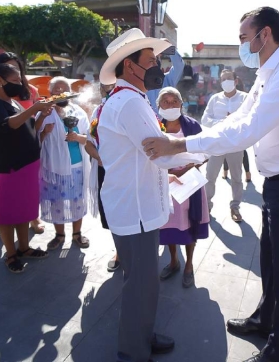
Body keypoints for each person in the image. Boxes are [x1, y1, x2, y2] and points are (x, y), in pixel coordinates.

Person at [142, 6, 279, 362]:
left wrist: (180, 144)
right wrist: (196, 145)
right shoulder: (266, 73)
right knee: (272, 259)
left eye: (245, 37)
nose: (242, 44)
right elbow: (240, 118)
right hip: (278, 182)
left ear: (266, 34)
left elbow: (248, 129)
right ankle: (265, 319)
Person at [97, 28, 206, 362]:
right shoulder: (129, 102)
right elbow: (158, 151)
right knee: (141, 286)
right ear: (130, 66)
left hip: (137, 205)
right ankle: (133, 350)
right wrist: (200, 150)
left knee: (142, 283)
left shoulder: (131, 99)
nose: (159, 65)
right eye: (151, 60)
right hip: (136, 210)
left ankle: (142, 334)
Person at [0, 64, 52, 273]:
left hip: (28, 165)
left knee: (24, 209)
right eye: (15, 81)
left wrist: (40, 116)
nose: (20, 85)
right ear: (1, 81)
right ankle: (11, 254)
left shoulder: (13, 102)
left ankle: (24, 248)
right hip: (9, 166)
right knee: (6, 213)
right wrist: (33, 109)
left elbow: (27, 127)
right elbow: (8, 125)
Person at [0, 51, 46, 234]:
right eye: (9, 67)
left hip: (29, 147)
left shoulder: (30, 90)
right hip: (8, 147)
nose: (15, 72)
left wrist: (39, 120)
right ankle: (11, 243)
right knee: (9, 200)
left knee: (26, 196)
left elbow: (31, 118)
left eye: (16, 67)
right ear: (0, 77)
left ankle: (31, 220)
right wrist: (1, 132)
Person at [155, 87, 210, 288]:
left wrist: (189, 167)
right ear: (158, 106)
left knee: (188, 224)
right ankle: (174, 261)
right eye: (166, 101)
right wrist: (169, 173)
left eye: (174, 101)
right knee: (168, 223)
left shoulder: (193, 126)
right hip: (165, 183)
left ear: (181, 104)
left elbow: (205, 151)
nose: (170, 105)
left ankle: (188, 265)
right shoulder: (154, 127)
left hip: (189, 183)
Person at [38, 77, 92, 251]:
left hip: (77, 166)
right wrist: (44, 133)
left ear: (70, 92)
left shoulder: (79, 112)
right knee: (56, 201)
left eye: (64, 89)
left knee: (77, 200)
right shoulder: (44, 113)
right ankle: (59, 235)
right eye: (56, 90)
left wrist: (76, 137)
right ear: (50, 93)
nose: (60, 93)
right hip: (53, 167)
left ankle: (77, 234)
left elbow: (89, 139)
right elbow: (34, 138)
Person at [200, 69, 248, 221]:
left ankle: (235, 207)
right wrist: (221, 122)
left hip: (235, 145)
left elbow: (250, 119)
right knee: (210, 176)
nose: (226, 81)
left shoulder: (244, 98)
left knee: (236, 178)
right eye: (223, 79)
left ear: (235, 81)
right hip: (217, 144)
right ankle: (207, 206)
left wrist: (234, 122)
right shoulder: (215, 99)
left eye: (229, 78)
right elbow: (205, 119)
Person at [85, 82, 121, 272]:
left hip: (127, 172)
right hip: (105, 171)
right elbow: (89, 144)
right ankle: (120, 251)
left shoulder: (131, 108)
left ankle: (136, 251)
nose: (109, 92)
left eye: (113, 88)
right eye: (105, 89)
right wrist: (99, 157)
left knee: (129, 210)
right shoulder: (98, 112)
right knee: (111, 212)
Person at [146, 49, 185, 114]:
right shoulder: (139, 82)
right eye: (151, 59)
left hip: (166, 121)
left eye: (156, 58)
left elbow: (179, 64)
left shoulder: (167, 79)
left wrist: (169, 48)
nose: (154, 62)